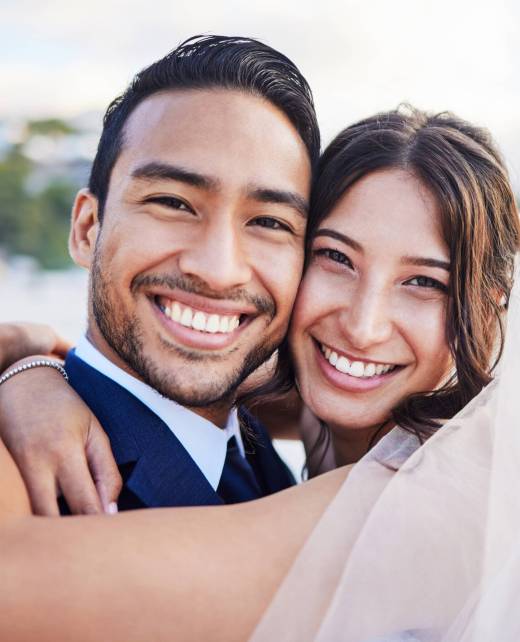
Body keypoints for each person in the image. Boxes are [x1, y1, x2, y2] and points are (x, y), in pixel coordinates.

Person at [0, 106, 518, 642]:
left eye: (425, 283)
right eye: (336, 257)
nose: (363, 328)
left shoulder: (437, 496)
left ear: (486, 310)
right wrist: (29, 363)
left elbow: (13, 587)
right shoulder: (319, 410)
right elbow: (176, 380)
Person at [0, 34, 322, 515]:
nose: (218, 270)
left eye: (270, 222)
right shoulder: (23, 480)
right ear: (88, 229)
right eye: (172, 203)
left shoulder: (255, 438)